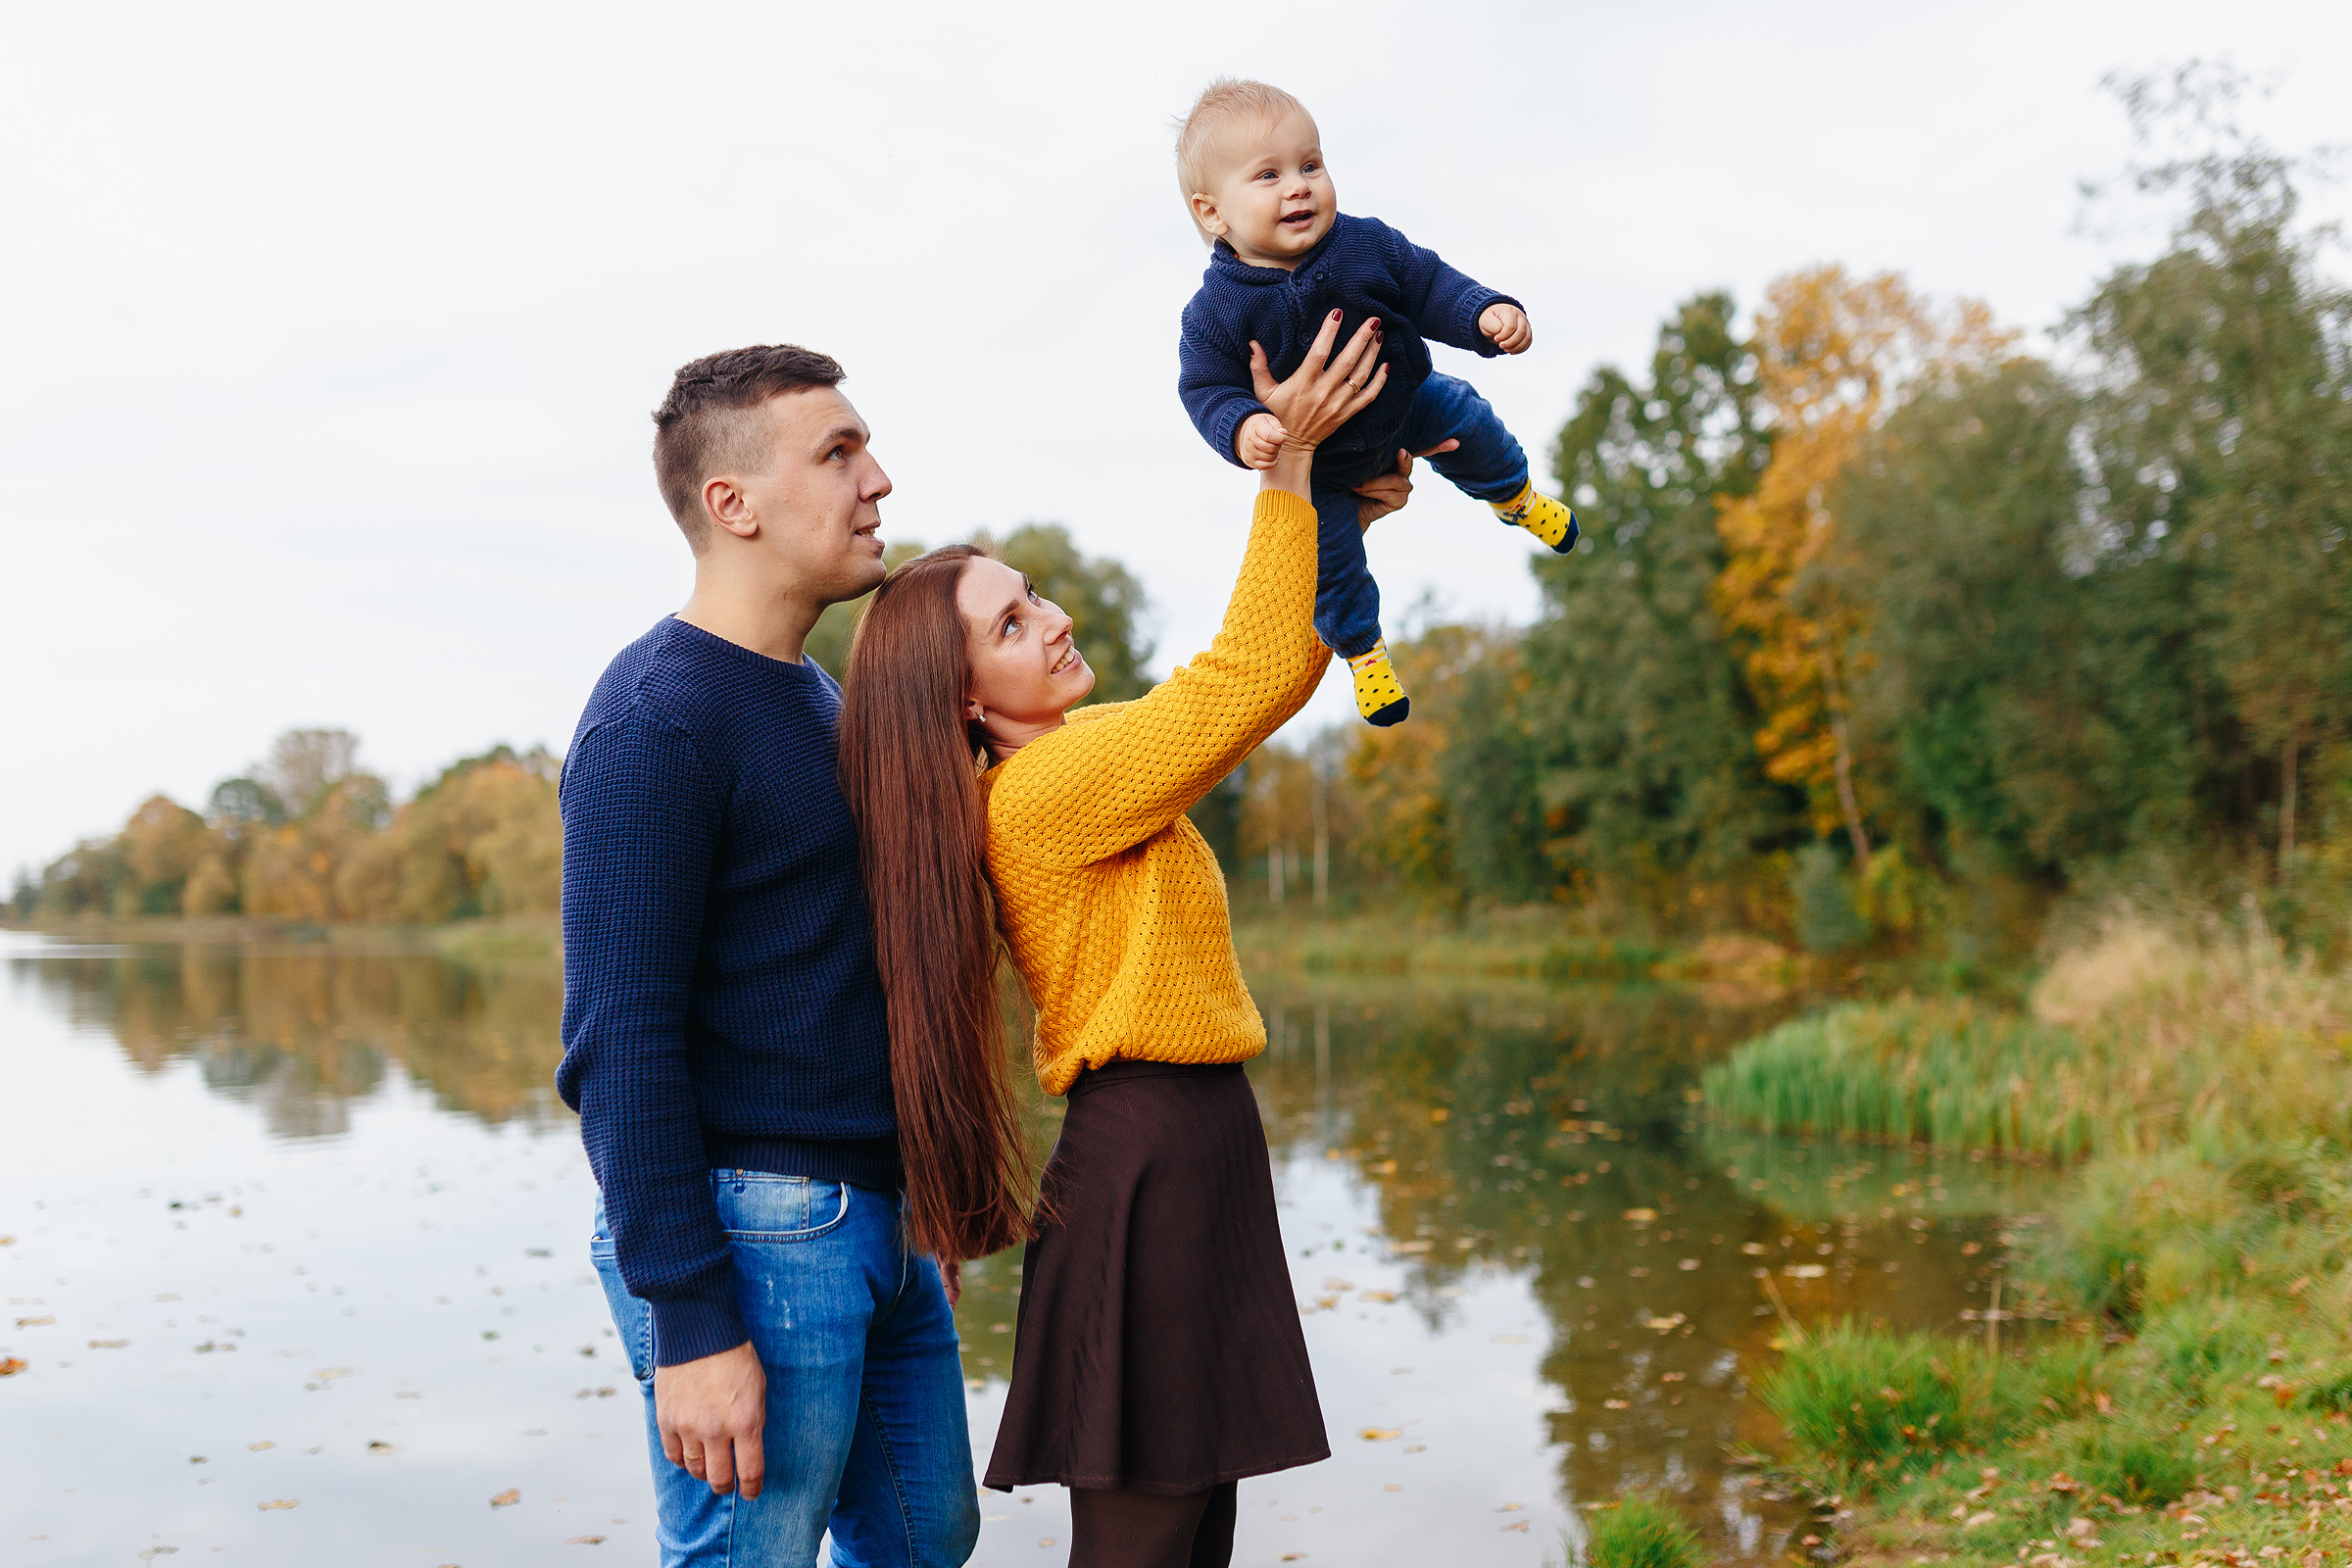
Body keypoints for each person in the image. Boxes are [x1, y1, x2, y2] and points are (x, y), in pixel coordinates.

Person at [838, 314, 1426, 1568]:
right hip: (1148, 1156)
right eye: (1009, 625)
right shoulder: (1050, 789)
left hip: (1192, 1145)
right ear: (964, 701)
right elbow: (1245, 679)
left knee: (1195, 1535)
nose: (1047, 620)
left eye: (1031, 594)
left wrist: (1334, 512)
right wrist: (1284, 473)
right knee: (1145, 1548)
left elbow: (1275, 667)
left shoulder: (1086, 762)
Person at [556, 344, 980, 1568]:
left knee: (925, 1535)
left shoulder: (817, 700)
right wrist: (691, 1323)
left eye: (867, 448)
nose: (879, 481)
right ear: (731, 504)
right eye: (838, 453)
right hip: (754, 1232)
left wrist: (922, 1207)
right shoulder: (655, 719)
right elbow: (618, 1043)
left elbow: (847, 975)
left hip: (878, 1225)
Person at [1172, 76, 1580, 727]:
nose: (1299, 185)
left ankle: (1515, 496)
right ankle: (1364, 653)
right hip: (1321, 471)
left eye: (1311, 165)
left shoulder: (1366, 244)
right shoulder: (1214, 312)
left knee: (1468, 420)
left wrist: (1484, 313)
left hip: (1405, 402)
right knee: (1328, 564)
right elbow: (1204, 388)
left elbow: (1430, 284)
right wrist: (1241, 423)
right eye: (1269, 175)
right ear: (1213, 213)